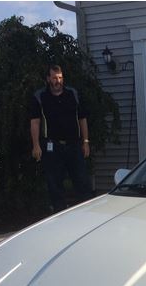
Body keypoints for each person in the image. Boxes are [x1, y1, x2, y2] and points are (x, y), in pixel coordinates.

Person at [29, 64, 93, 211]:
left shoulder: (73, 94)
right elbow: (35, 122)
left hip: (74, 145)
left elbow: (82, 119)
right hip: (52, 147)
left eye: (60, 77)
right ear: (48, 79)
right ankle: (59, 214)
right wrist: (36, 145)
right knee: (55, 184)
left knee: (82, 181)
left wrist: (86, 141)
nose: (58, 81)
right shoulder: (40, 97)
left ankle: (87, 213)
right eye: (54, 78)